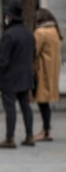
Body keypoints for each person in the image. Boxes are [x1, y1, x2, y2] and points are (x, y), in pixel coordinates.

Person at [0, 2, 35, 149]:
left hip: (10, 78)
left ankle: (10, 138)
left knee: (10, 109)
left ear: (9, 17)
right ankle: (30, 135)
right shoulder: (28, 33)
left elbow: (4, 60)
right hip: (25, 77)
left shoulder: (9, 34)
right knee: (26, 107)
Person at [32, 8, 63, 142]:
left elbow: (34, 50)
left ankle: (46, 131)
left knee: (42, 101)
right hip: (53, 70)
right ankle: (46, 130)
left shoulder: (40, 32)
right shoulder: (55, 30)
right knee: (45, 101)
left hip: (42, 70)